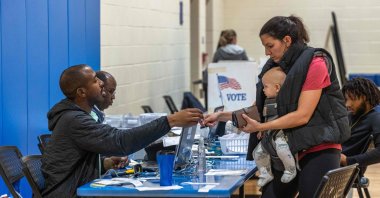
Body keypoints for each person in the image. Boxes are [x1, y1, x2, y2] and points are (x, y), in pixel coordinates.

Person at [203, 16, 350, 197]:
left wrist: (262, 127)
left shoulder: (316, 62)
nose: (266, 52)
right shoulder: (275, 67)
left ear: (287, 40)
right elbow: (260, 108)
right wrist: (221, 116)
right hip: (289, 148)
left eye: (270, 46)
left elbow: (302, 115)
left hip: (318, 148)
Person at [41, 64, 203, 197]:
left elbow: (75, 163)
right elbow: (120, 141)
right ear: (81, 92)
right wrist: (171, 121)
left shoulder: (77, 117)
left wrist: (105, 163)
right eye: (95, 80)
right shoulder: (74, 120)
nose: (101, 83)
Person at [252, 67, 297, 187]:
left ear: (277, 87)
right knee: (257, 152)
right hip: (268, 134)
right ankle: (265, 173)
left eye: (265, 86)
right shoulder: (266, 101)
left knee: (282, 149)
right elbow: (267, 118)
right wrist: (262, 129)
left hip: (281, 134)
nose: (263, 90)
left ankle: (290, 169)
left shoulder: (285, 102)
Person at [341, 77, 380, 167]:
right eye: (346, 100)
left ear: (364, 97)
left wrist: (348, 161)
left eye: (351, 99)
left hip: (344, 170)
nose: (347, 104)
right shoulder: (350, 115)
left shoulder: (376, 118)